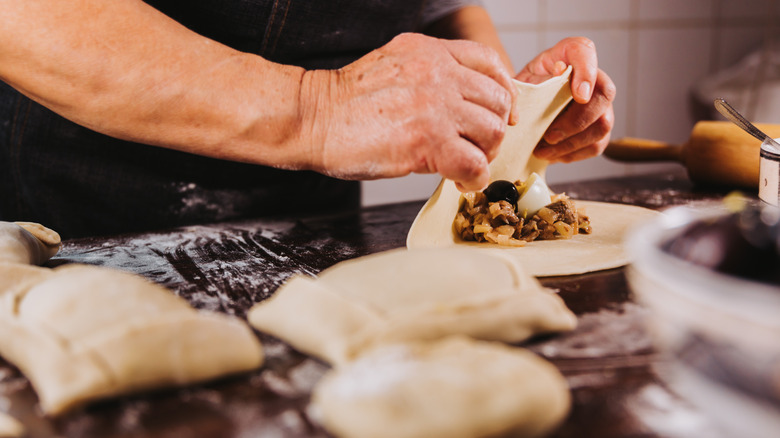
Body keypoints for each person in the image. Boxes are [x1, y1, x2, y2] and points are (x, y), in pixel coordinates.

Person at [0, 0, 615, 239]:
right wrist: (316, 108)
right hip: (70, 214)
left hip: (308, 235)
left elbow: (440, 5)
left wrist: (506, 112)